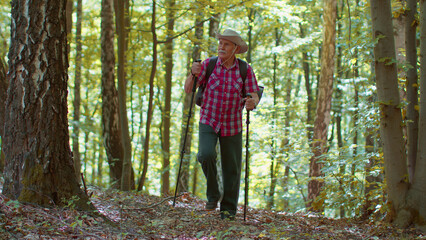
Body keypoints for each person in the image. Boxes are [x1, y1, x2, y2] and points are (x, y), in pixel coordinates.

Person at [184, 29, 260, 220]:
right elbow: (188, 90)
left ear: (235, 49)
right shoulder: (208, 64)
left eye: (226, 44)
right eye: (220, 43)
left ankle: (228, 210)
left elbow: (253, 93)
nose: (221, 46)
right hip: (209, 119)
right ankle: (213, 193)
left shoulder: (245, 69)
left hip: (232, 123)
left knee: (231, 168)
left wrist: (252, 101)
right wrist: (192, 74)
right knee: (205, 154)